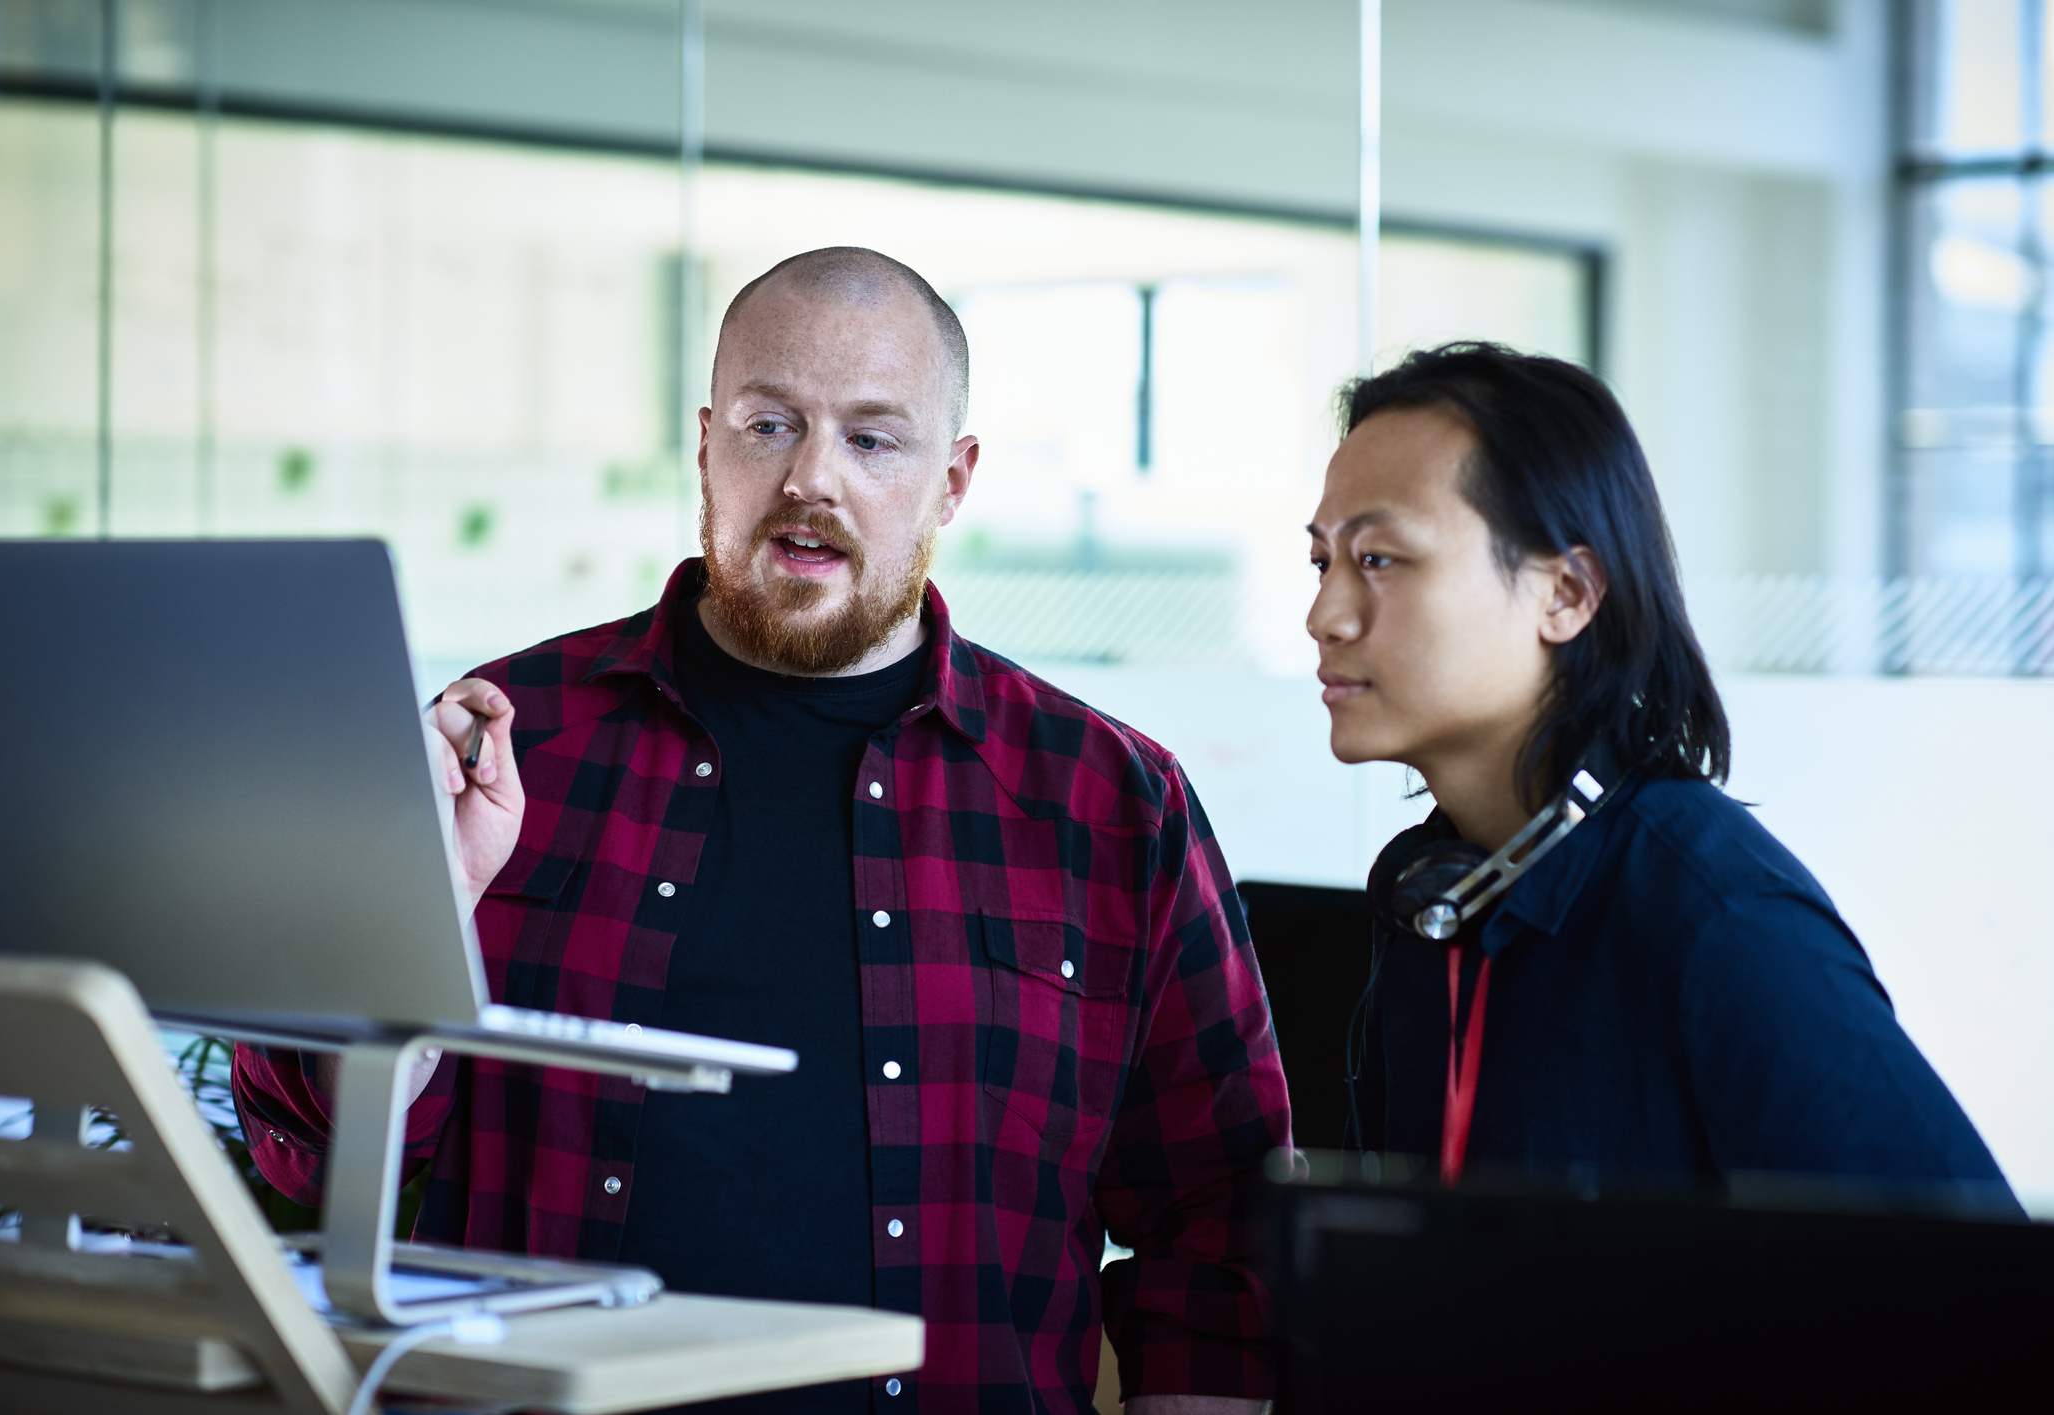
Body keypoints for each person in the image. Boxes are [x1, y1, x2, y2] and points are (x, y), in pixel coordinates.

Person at [235, 247, 1287, 1414]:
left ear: (952, 480)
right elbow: (305, 1150)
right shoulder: (498, 747)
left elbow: (1219, 1228)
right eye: (768, 423)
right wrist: (406, 917)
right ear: (704, 447)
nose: (810, 478)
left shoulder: (1109, 800)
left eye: (873, 439)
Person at [1311, 341, 2016, 1209]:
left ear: (1566, 594)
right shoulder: (1439, 900)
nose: (1325, 614)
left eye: (1379, 558)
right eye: (1324, 562)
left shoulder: (1720, 919)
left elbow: (1987, 1281)